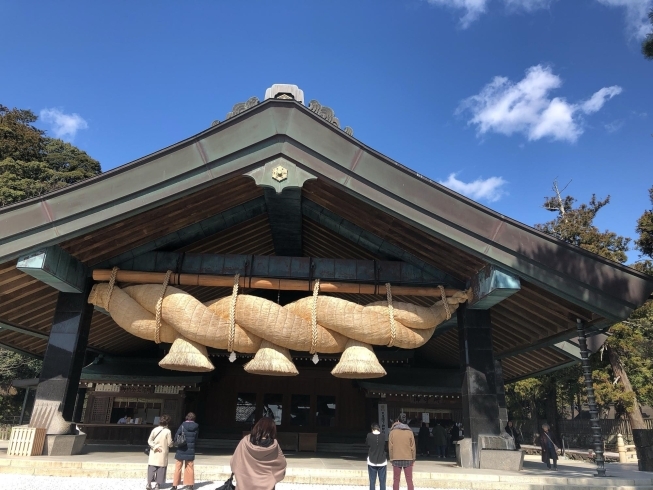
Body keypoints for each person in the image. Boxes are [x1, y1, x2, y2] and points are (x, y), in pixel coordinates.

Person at [231, 417, 287, 490]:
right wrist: (273, 477)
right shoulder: (274, 445)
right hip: (267, 485)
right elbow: (281, 463)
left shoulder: (245, 442)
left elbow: (235, 461)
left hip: (244, 484)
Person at [172, 412, 199, 490]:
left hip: (181, 448)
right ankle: (190, 485)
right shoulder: (196, 427)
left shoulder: (183, 425)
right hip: (190, 448)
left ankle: (175, 485)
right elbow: (196, 438)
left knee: (178, 467)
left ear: (187, 417)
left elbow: (177, 436)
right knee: (190, 467)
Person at [388, 414, 416, 490]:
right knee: (409, 480)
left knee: (396, 480)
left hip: (396, 458)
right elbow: (413, 447)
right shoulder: (410, 432)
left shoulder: (392, 432)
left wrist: (391, 458)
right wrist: (413, 458)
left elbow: (390, 447)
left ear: (398, 421)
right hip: (408, 458)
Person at [147, 414, 174, 490]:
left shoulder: (154, 429)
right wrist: (173, 443)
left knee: (151, 468)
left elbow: (149, 440)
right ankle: (157, 485)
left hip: (154, 452)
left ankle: (148, 484)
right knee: (161, 469)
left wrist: (155, 447)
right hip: (162, 452)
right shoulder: (168, 431)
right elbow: (169, 443)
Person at [366, 422, 387, 490]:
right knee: (382, 482)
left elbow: (367, 444)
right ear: (379, 429)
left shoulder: (369, 435)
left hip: (372, 460)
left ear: (372, 429)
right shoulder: (383, 436)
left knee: (372, 481)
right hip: (382, 461)